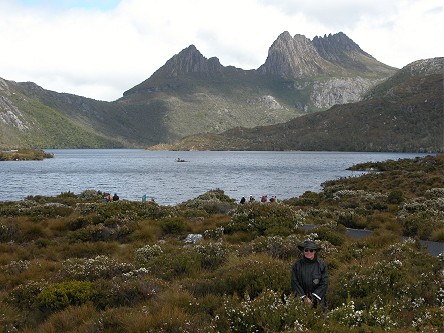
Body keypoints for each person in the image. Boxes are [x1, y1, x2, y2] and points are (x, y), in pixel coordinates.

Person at [291, 240, 328, 311]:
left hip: (318, 302)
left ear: (315, 251)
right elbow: (294, 282)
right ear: (303, 251)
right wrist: (304, 298)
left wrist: (313, 298)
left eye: (311, 250)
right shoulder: (297, 265)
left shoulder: (322, 265)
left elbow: (324, 283)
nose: (309, 252)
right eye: (306, 250)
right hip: (301, 301)